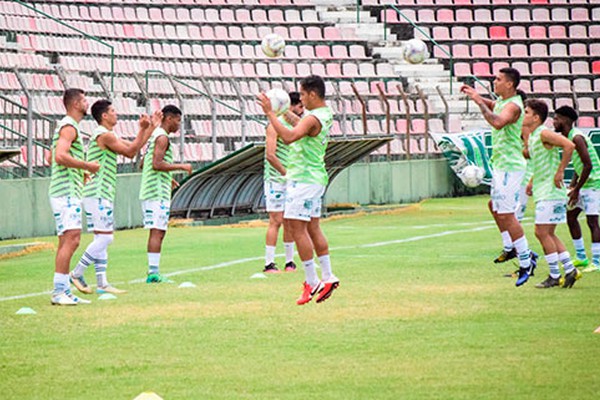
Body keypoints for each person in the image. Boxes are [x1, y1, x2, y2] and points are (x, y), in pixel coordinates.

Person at [257, 76, 339, 305]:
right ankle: (328, 276)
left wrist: (270, 114)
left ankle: (312, 281)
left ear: (312, 94)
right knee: (313, 227)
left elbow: (290, 136)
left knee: (296, 227)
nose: (300, 99)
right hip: (313, 178)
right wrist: (280, 110)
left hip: (303, 180)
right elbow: (297, 123)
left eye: (302, 95)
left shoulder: (313, 118)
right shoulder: (323, 113)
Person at [69, 100, 160, 295]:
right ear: (104, 116)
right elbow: (130, 152)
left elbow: (135, 147)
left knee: (100, 237)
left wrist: (150, 128)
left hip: (100, 192)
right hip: (98, 192)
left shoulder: (108, 135)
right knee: (106, 238)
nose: (116, 114)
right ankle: (77, 273)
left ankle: (102, 283)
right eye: (112, 111)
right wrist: (143, 129)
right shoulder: (105, 135)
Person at [461, 68, 537, 286]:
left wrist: (478, 100)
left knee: (507, 215)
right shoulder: (504, 102)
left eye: (499, 79)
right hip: (501, 166)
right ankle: (515, 250)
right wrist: (477, 97)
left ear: (510, 84)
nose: (494, 81)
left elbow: (497, 122)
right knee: (496, 208)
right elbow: (494, 106)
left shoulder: (513, 106)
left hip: (511, 167)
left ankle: (525, 260)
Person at [48, 89, 99, 305]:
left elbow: (51, 155)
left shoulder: (68, 126)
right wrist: (86, 165)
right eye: (85, 100)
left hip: (67, 190)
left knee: (67, 240)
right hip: (66, 192)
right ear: (76, 103)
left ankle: (63, 290)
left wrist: (80, 172)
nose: (88, 103)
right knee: (72, 239)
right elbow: (60, 156)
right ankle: (59, 292)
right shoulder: (69, 126)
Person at [523, 100, 580, 288]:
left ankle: (555, 275)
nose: (523, 115)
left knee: (541, 232)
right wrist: (532, 181)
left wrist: (561, 171)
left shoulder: (544, 133)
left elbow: (569, 145)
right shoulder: (533, 136)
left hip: (550, 191)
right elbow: (541, 161)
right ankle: (570, 269)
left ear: (536, 117)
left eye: (527, 112)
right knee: (548, 233)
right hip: (544, 190)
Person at [139, 105, 192, 283]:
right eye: (178, 120)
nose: (179, 125)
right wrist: (181, 167)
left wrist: (168, 178)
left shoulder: (155, 136)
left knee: (158, 231)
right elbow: (156, 163)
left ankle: (153, 271)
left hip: (153, 189)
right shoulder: (162, 137)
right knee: (157, 231)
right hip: (155, 192)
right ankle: (153, 273)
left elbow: (142, 163)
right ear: (169, 119)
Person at [555, 106, 600, 273]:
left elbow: (588, 165)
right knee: (571, 216)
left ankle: (597, 261)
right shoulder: (569, 137)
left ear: (566, 120)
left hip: (594, 183)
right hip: (584, 184)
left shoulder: (577, 137)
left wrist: (576, 189)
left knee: (592, 221)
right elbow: (578, 165)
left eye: (557, 118)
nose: (554, 122)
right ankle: (581, 257)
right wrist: (573, 185)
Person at [263, 92, 304, 274]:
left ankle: (289, 261)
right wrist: (285, 173)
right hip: (275, 179)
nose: (302, 110)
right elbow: (270, 155)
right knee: (276, 220)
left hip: (291, 178)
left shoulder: (296, 125)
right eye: (300, 106)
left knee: (290, 220)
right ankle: (269, 263)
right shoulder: (274, 125)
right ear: (290, 105)